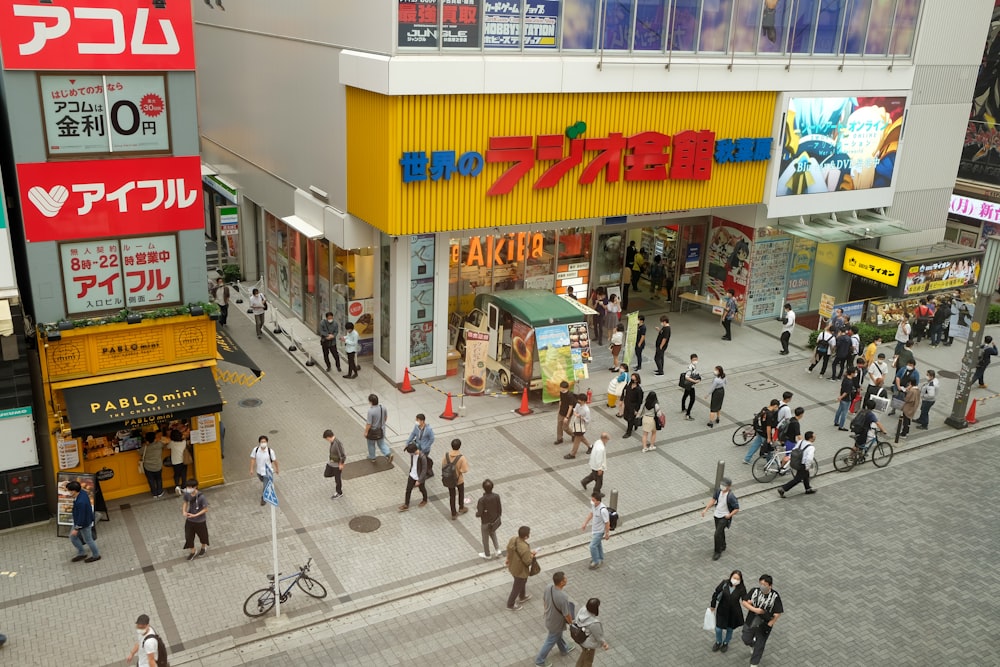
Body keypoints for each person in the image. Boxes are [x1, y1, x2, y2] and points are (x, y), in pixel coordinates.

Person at [535, 571, 576, 666]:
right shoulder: (563, 597)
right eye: (565, 579)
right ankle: (539, 661)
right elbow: (566, 614)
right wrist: (571, 623)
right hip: (556, 624)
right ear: (561, 582)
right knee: (550, 641)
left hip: (549, 619)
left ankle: (564, 649)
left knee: (557, 636)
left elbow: (544, 600)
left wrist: (546, 611)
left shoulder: (548, 587)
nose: (566, 579)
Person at [741, 575, 783, 667]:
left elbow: (778, 613)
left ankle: (754, 663)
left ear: (770, 585)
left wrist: (769, 624)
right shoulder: (754, 591)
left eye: (764, 584)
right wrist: (755, 609)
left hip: (764, 623)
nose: (762, 586)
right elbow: (744, 602)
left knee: (760, 644)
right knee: (745, 638)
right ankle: (752, 644)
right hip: (751, 620)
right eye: (761, 584)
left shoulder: (775, 596)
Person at [701, 476, 739, 561]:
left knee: (717, 534)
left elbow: (737, 508)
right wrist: (705, 509)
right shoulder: (718, 491)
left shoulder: (731, 496)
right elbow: (713, 500)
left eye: (724, 485)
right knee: (720, 531)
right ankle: (723, 545)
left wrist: (729, 515)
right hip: (717, 515)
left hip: (724, 517)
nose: (722, 486)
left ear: (729, 486)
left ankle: (717, 552)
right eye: (722, 484)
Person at [709, 570, 746, 653]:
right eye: (734, 578)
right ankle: (718, 642)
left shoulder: (741, 588)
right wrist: (713, 605)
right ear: (731, 577)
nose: (735, 580)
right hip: (722, 610)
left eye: (737, 579)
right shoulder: (724, 583)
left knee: (730, 629)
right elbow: (716, 593)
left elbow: (745, 599)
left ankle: (726, 642)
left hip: (733, 613)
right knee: (718, 629)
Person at [67, 480, 99, 563]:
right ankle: (81, 553)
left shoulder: (81, 502)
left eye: (69, 491)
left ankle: (96, 555)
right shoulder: (82, 493)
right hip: (80, 521)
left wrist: (76, 528)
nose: (68, 492)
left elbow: (81, 516)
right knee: (73, 537)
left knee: (88, 540)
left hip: (83, 523)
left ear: (74, 491)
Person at [505, 525, 537, 610]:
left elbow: (508, 549)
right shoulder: (525, 548)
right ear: (526, 536)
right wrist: (532, 555)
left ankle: (522, 596)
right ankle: (510, 604)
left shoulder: (513, 539)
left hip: (512, 566)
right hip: (520, 570)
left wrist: (508, 559)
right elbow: (528, 562)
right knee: (517, 586)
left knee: (522, 581)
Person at [778, 431, 816, 497]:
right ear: (811, 438)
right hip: (803, 464)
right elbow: (809, 459)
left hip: (797, 462)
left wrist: (790, 457)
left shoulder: (800, 442)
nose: (815, 437)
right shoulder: (811, 448)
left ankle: (808, 488)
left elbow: (794, 450)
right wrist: (807, 467)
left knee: (806, 475)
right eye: (814, 436)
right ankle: (783, 489)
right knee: (798, 479)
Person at [574, 597, 609, 666]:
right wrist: (604, 644)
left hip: (580, 638)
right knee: (588, 661)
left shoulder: (583, 609)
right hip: (588, 644)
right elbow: (598, 636)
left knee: (584, 654)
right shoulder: (594, 623)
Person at [743, 399, 779, 464]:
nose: (777, 409)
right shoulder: (770, 415)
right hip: (765, 434)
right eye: (777, 407)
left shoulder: (764, 409)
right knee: (768, 448)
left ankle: (747, 459)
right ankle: (770, 462)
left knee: (755, 445)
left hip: (759, 431)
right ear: (775, 406)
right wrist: (768, 437)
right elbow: (768, 427)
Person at [581, 491, 610, 570]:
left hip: (599, 531)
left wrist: (607, 533)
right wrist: (585, 523)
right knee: (598, 544)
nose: (592, 501)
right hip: (595, 530)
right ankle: (600, 558)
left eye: (593, 500)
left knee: (592, 546)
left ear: (598, 501)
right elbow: (591, 514)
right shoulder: (594, 506)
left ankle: (596, 561)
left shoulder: (603, 510)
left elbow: (607, 522)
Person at [441, 438, 470, 519]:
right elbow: (464, 470)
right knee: (461, 492)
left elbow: (443, 465)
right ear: (459, 446)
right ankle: (461, 507)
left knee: (452, 495)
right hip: (459, 479)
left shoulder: (446, 455)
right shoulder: (461, 458)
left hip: (449, 479)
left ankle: (453, 513)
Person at [181, 478, 209, 560]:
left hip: (200, 521)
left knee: (203, 536)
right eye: (188, 487)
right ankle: (193, 551)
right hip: (190, 520)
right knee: (188, 536)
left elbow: (206, 509)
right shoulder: (187, 494)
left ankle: (203, 547)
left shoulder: (201, 497)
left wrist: (195, 515)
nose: (188, 489)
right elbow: (185, 502)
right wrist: (184, 511)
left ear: (195, 487)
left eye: (190, 487)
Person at [398, 443, 430, 511]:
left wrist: (419, 480)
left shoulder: (422, 457)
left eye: (410, 453)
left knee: (422, 489)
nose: (410, 455)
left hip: (419, 477)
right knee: (408, 490)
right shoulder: (413, 455)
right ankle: (406, 504)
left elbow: (424, 469)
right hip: (412, 475)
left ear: (414, 451)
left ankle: (425, 499)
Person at [476, 479, 503, 560]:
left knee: (485, 538)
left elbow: (479, 513)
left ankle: (487, 554)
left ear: (483, 488)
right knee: (493, 533)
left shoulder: (482, 500)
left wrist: (477, 514)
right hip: (494, 520)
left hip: (485, 521)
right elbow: (499, 508)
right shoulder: (496, 496)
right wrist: (498, 516)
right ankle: (497, 550)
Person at [249, 435, 278, 506]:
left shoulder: (270, 451)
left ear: (267, 442)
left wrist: (277, 469)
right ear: (259, 443)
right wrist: (251, 469)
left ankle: (264, 498)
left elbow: (275, 461)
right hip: (259, 471)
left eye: (264, 442)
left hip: (267, 472)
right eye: (262, 442)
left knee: (265, 485)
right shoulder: (255, 450)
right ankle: (268, 484)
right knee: (262, 480)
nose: (263, 443)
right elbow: (253, 459)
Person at [365, 394, 393, 463]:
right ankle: (388, 453)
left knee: (371, 444)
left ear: (371, 402)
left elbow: (369, 424)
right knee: (381, 443)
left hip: (373, 431)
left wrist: (366, 432)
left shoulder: (370, 411)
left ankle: (372, 457)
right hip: (381, 429)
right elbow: (385, 417)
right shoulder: (382, 407)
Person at [565, 393, 591, 459]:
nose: (578, 401)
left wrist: (581, 417)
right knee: (581, 437)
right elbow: (574, 410)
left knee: (577, 440)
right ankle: (590, 446)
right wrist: (576, 414)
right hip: (576, 423)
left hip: (582, 426)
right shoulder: (578, 404)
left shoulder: (586, 410)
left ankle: (572, 454)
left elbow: (587, 420)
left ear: (584, 401)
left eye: (580, 400)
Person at [139, 432, 164, 499]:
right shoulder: (159, 444)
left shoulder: (145, 448)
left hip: (148, 467)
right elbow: (164, 443)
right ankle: (160, 492)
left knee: (151, 480)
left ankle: (154, 493)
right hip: (158, 466)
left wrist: (145, 444)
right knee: (159, 479)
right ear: (154, 438)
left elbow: (139, 452)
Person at [323, 429, 346, 498]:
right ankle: (337, 474)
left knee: (337, 479)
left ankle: (339, 492)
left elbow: (342, 455)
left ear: (328, 437)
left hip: (337, 465)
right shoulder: (333, 442)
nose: (327, 440)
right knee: (326, 474)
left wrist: (341, 464)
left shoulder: (337, 443)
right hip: (331, 463)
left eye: (327, 439)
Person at [620, 373, 643, 438]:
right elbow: (623, 391)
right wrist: (621, 399)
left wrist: (636, 410)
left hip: (633, 406)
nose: (632, 380)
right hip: (627, 403)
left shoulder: (638, 390)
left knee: (630, 419)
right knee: (625, 417)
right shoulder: (628, 385)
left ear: (636, 380)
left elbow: (639, 401)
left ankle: (628, 432)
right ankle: (634, 423)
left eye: (633, 379)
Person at [167, 429, 189, 496]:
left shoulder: (172, 443)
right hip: (183, 460)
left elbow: (167, 447)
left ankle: (177, 486)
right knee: (183, 474)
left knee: (176, 474)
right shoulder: (184, 442)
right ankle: (183, 487)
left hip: (175, 462)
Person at [681, 353, 701, 420]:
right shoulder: (690, 367)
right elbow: (687, 377)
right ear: (691, 360)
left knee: (685, 395)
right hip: (690, 385)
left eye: (696, 359)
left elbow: (696, 374)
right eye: (693, 359)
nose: (695, 360)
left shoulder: (694, 366)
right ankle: (687, 414)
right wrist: (694, 381)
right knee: (692, 400)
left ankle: (683, 408)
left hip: (689, 385)